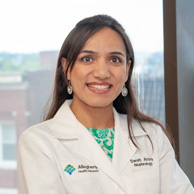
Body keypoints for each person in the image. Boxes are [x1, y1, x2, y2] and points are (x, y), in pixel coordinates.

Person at [17, 15, 194, 194]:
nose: (102, 72)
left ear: (127, 69)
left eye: (115, 59)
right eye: (87, 59)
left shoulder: (151, 136)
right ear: (66, 68)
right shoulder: (39, 143)